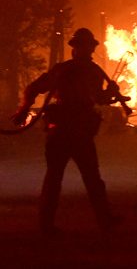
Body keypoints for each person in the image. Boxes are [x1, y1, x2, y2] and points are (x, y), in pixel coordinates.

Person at [12, 27, 126, 235]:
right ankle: (101, 221)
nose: (86, 50)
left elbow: (96, 98)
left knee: (79, 179)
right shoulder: (72, 70)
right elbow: (33, 89)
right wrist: (22, 111)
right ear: (76, 48)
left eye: (87, 47)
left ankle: (103, 221)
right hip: (72, 132)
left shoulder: (87, 71)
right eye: (83, 46)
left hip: (69, 132)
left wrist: (109, 95)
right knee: (74, 179)